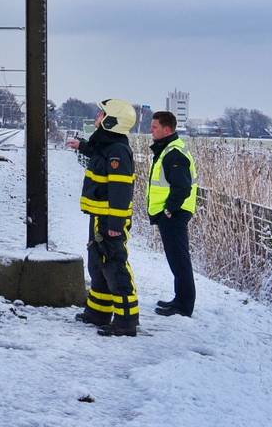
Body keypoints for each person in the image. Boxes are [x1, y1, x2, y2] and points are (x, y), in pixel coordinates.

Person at [66, 99, 139, 337]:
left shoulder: (118, 151)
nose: (98, 115)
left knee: (115, 266)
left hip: (110, 220)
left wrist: (116, 224)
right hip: (100, 217)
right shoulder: (108, 144)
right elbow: (98, 152)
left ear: (112, 120)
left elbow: (121, 191)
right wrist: (81, 146)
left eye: (102, 113)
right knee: (98, 265)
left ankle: (126, 321)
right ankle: (98, 313)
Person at [148, 110, 198, 317]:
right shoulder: (168, 149)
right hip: (170, 214)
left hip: (173, 215)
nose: (151, 130)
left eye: (154, 127)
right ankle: (179, 300)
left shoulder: (174, 153)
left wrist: (170, 209)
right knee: (176, 259)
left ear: (167, 129)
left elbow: (182, 187)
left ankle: (184, 306)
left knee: (179, 260)